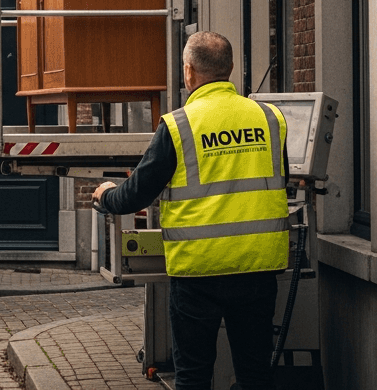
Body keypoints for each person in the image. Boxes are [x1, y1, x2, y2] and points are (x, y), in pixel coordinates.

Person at [93, 31, 289, 390]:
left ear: (188, 73)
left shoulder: (178, 125)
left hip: (199, 272)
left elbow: (136, 194)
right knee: (256, 374)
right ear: (230, 68)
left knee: (194, 376)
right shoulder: (270, 119)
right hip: (258, 268)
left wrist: (105, 196)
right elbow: (283, 179)